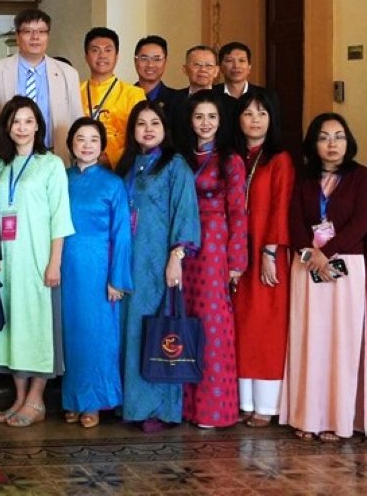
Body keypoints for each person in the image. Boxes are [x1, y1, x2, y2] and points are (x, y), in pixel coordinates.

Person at [281, 113, 367, 442]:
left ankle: (338, 421)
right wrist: (311, 256)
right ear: (313, 143)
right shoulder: (303, 178)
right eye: (324, 137)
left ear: (348, 141)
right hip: (307, 267)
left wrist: (327, 254)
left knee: (341, 345)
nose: (332, 144)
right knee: (310, 342)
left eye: (339, 136)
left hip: (346, 268)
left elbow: (362, 223)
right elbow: (293, 222)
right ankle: (307, 419)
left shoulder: (362, 177)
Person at [0, 96, 74, 428]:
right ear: (6, 127)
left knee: (37, 327)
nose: (21, 127)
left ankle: (37, 399)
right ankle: (19, 397)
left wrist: (55, 263)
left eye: (28, 120)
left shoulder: (50, 164)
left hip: (37, 260)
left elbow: (59, 218)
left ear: (38, 125)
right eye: (15, 121)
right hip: (5, 261)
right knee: (10, 328)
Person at [115, 99, 200, 433]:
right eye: (141, 124)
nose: (147, 129)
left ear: (165, 130)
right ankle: (129, 404)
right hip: (127, 261)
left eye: (154, 123)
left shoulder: (175, 165)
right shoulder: (129, 164)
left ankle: (157, 408)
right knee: (128, 331)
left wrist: (176, 257)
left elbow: (186, 212)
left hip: (157, 262)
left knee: (156, 330)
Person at [178, 90, 248, 429]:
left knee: (212, 322)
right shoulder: (181, 158)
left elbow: (238, 211)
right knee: (184, 318)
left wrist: (236, 259)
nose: (205, 124)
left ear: (221, 122)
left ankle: (212, 409)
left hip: (215, 244)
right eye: (199, 117)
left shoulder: (230, 160)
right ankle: (184, 407)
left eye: (211, 117)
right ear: (190, 121)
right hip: (183, 243)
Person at [59, 117, 132, 430]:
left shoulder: (113, 183)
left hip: (99, 269)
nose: (86, 145)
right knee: (70, 336)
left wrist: (117, 278)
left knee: (97, 336)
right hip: (64, 267)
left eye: (93, 139)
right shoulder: (61, 178)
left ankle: (94, 402)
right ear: (71, 145)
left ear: (102, 146)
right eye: (80, 139)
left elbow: (123, 234)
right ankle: (72, 399)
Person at [232, 89, 294, 428]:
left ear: (272, 120)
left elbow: (281, 207)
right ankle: (244, 400)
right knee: (240, 326)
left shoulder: (279, 159)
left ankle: (267, 405)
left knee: (265, 327)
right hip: (235, 254)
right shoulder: (233, 157)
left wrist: (271, 250)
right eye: (248, 114)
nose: (255, 120)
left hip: (266, 255)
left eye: (262, 113)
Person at [0, 9, 82, 157]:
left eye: (41, 31)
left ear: (48, 36)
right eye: (28, 31)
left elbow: (76, 120)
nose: (35, 37)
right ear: (17, 36)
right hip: (8, 157)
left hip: (54, 156)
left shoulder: (68, 74)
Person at [80, 28, 145, 167]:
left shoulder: (134, 94)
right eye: (95, 50)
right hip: (80, 164)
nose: (102, 55)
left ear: (117, 56)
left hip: (121, 168)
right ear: (86, 56)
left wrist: (110, 157)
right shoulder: (74, 91)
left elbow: (140, 136)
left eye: (108, 50)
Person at [167, 45, 220, 142]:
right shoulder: (172, 101)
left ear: (216, 71)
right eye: (197, 65)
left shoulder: (228, 103)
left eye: (209, 66)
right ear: (185, 69)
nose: (203, 70)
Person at [214, 41, 281, 111]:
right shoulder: (210, 94)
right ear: (221, 67)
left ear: (249, 67)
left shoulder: (268, 97)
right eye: (229, 61)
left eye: (242, 60)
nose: (236, 66)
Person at [133, 35, 181, 123]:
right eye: (144, 58)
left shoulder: (178, 101)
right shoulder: (124, 97)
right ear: (135, 61)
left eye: (157, 59)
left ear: (165, 62)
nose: (150, 64)